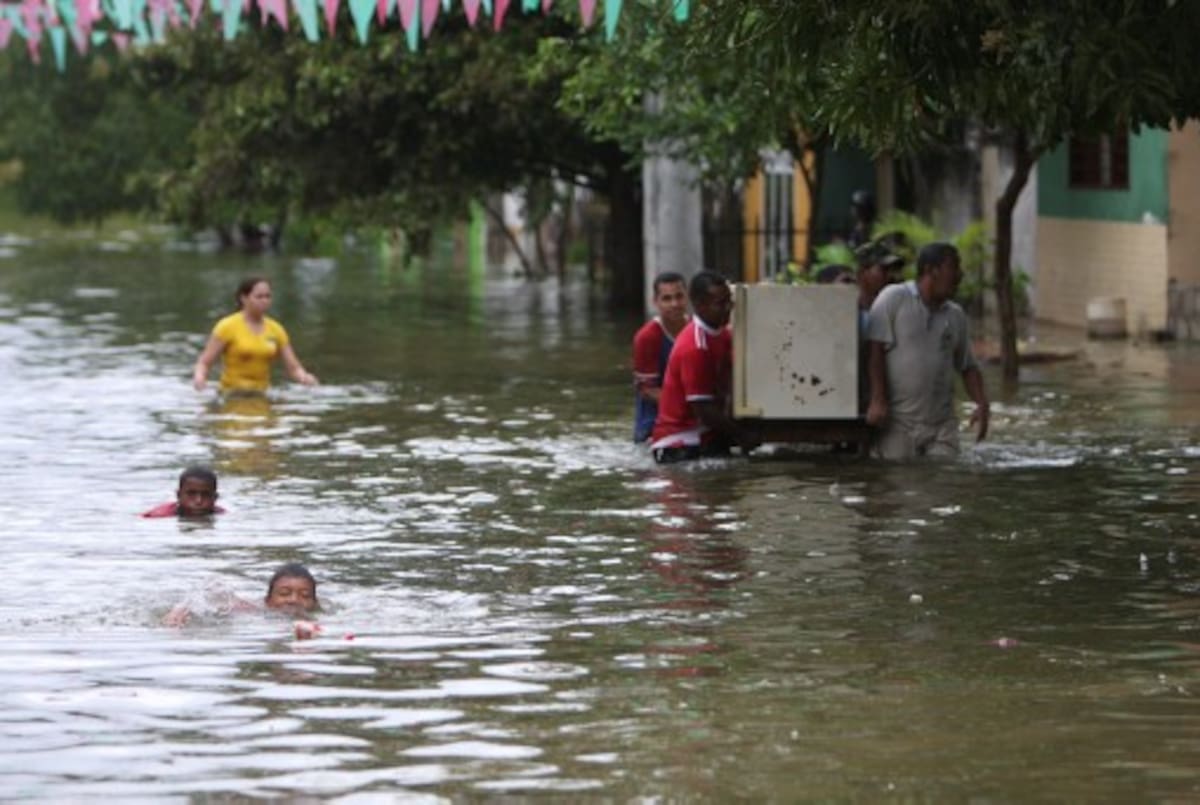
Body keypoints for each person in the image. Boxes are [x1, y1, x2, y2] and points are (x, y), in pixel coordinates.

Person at [865, 242, 989, 459]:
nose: (960, 275)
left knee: (942, 481)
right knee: (896, 480)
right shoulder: (894, 298)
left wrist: (982, 403)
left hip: (942, 426)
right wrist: (878, 399)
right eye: (955, 267)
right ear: (932, 270)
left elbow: (968, 366)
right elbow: (875, 349)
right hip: (899, 422)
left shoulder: (956, 315)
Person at [649, 271, 761, 463]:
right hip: (679, 442)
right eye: (721, 304)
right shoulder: (696, 346)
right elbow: (703, 409)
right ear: (700, 305)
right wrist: (742, 435)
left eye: (729, 302)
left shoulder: (721, 334)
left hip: (702, 434)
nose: (728, 309)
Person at [192, 276, 318, 394]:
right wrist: (200, 378)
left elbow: (294, 368)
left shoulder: (276, 330)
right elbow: (204, 363)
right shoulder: (227, 326)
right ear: (244, 298)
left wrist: (304, 377)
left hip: (261, 394)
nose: (264, 301)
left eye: (268, 296)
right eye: (259, 297)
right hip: (232, 394)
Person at [162, 562, 320, 631]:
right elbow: (211, 593)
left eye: (304, 596)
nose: (294, 600)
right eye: (284, 593)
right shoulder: (253, 610)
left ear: (314, 603)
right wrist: (182, 609)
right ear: (268, 600)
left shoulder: (321, 617)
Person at [632, 272, 689, 443]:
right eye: (667, 298)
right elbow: (647, 389)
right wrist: (688, 407)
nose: (675, 304)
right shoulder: (646, 337)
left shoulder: (696, 329)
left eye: (679, 297)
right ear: (655, 302)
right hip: (653, 423)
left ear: (687, 298)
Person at [854, 242, 906, 413]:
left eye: (893, 270)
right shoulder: (846, 316)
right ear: (862, 274)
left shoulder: (903, 312)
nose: (891, 276)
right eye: (883, 270)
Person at [142, 465, 226, 518]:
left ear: (215, 498)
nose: (198, 501)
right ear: (178, 495)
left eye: (205, 495)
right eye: (191, 494)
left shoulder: (221, 514)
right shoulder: (159, 515)